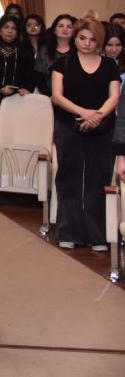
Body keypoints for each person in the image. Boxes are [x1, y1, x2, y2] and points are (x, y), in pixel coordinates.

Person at [50, 16, 120, 250]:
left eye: (92, 39)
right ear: (75, 38)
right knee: (68, 177)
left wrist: (97, 116)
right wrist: (83, 112)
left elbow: (115, 96)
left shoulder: (109, 65)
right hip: (67, 127)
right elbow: (57, 96)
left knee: (98, 179)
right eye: (82, 38)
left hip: (102, 130)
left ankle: (97, 235)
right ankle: (68, 232)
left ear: (98, 41)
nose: (87, 43)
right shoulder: (63, 63)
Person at [0, 15, 35, 131]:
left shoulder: (24, 51)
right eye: (6, 27)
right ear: (0, 31)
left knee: (13, 132)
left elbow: (30, 74)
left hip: (17, 99)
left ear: (17, 32)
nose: (10, 31)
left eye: (13, 28)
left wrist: (26, 88)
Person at [35, 14, 75, 96]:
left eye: (69, 27)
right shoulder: (44, 50)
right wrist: (50, 95)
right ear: (54, 30)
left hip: (74, 97)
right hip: (49, 96)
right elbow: (38, 76)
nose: (65, 29)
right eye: (60, 26)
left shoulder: (79, 51)